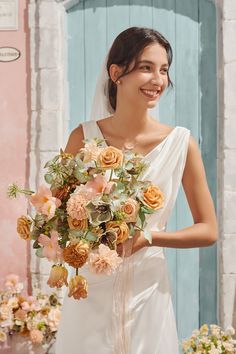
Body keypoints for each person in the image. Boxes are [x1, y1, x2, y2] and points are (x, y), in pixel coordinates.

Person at [55, 26, 218, 354]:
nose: (158, 79)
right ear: (117, 73)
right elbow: (57, 217)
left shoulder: (181, 144)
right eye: (146, 67)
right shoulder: (83, 137)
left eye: (164, 70)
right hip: (91, 289)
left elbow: (209, 230)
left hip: (149, 289)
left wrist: (150, 237)